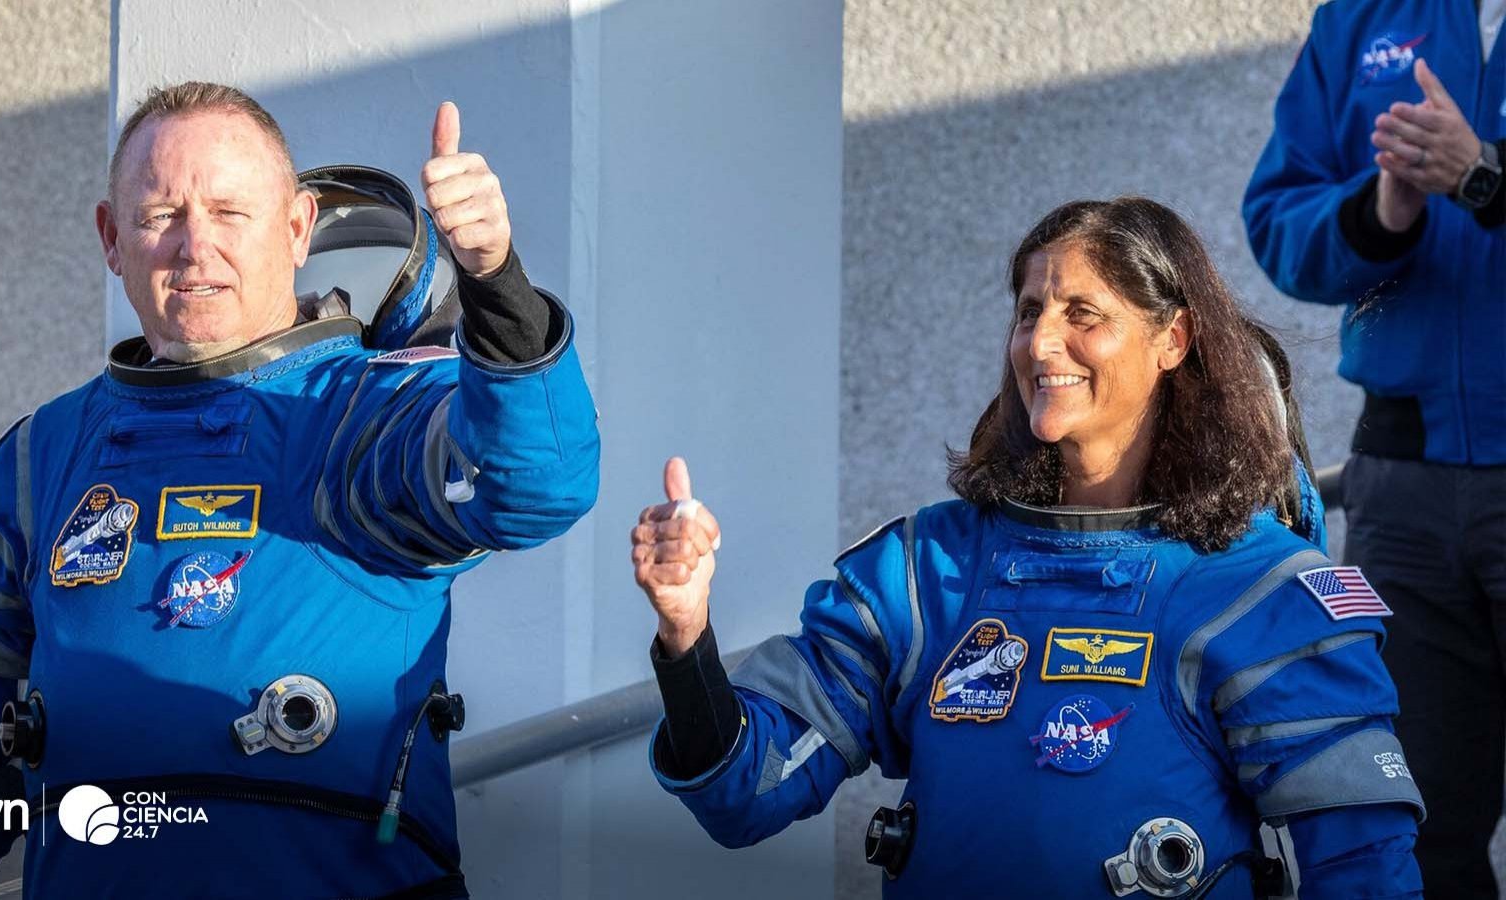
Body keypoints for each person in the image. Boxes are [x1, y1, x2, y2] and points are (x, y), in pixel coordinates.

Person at [0, 82, 598, 899]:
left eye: (231, 213)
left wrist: (497, 283)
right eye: (162, 214)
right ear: (111, 236)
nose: (195, 248)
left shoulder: (366, 416)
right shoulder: (38, 462)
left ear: (299, 228)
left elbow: (536, 485)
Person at [632, 198, 1424, 898]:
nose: (1041, 342)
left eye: (1083, 313)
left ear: (1172, 339)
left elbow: (1364, 870)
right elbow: (745, 792)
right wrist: (687, 633)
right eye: (1028, 310)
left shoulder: (1261, 591)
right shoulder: (927, 573)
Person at [1242, 2, 1504, 895]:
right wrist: (1380, 209)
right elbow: (1279, 216)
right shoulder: (1362, 18)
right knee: (1418, 828)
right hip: (1403, 491)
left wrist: (1484, 181)